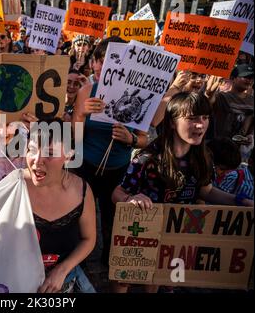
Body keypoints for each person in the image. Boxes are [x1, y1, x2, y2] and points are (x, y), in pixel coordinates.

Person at [111, 92, 254, 292]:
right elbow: (117, 193)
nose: (200, 125)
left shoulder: (204, 157)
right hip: (142, 231)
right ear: (171, 122)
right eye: (192, 118)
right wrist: (131, 198)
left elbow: (207, 191)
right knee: (125, 278)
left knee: (157, 278)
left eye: (204, 118)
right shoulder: (148, 158)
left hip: (175, 234)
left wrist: (240, 202)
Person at [72, 37, 148, 268]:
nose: (111, 68)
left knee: (112, 217)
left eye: (118, 63)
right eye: (105, 61)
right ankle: (79, 261)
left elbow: (145, 139)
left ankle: (110, 262)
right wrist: (82, 114)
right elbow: (74, 137)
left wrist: (132, 139)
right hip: (86, 165)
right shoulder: (87, 91)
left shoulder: (140, 95)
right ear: (95, 64)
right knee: (80, 216)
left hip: (118, 169)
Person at [24, 118, 96, 293]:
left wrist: (62, 270)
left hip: (65, 283)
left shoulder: (82, 191)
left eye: (49, 153)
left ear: (69, 154)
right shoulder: (13, 187)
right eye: (32, 150)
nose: (37, 160)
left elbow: (89, 239)